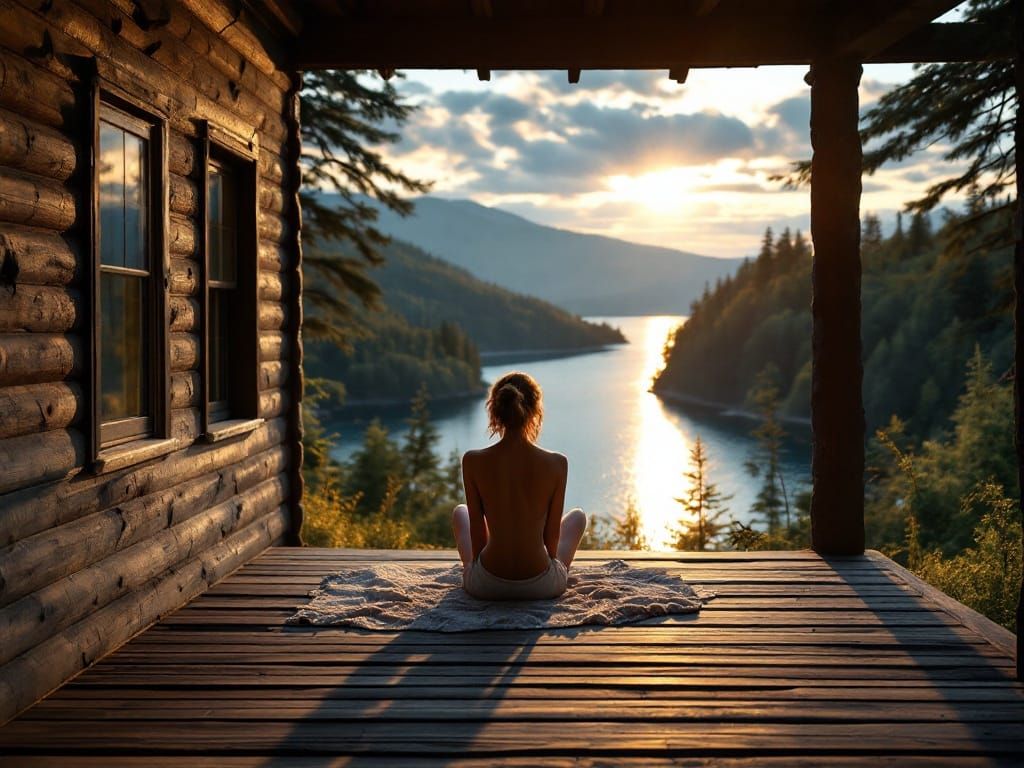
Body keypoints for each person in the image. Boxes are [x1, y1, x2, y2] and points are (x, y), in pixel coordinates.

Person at [452, 371, 587, 600]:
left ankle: (476, 573)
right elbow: (551, 536)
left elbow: (477, 533)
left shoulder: (472, 460)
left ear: (495, 410)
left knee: (460, 513)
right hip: (541, 585)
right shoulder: (557, 463)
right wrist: (551, 566)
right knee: (578, 517)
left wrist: (476, 571)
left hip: (486, 586)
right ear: (535, 411)